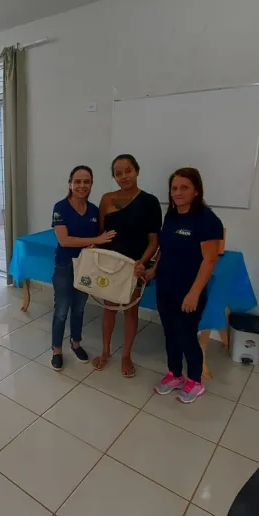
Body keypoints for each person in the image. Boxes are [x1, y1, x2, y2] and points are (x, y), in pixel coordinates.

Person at [148, 168, 223, 404]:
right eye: (174, 188)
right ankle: (175, 374)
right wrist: (153, 270)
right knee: (170, 333)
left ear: (196, 190)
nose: (178, 192)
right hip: (165, 287)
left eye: (184, 187)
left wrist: (194, 293)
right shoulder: (171, 217)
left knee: (186, 335)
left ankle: (195, 381)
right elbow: (164, 250)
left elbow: (210, 260)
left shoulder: (207, 220)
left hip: (189, 291)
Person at [93, 154, 162, 377]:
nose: (124, 176)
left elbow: (154, 241)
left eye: (128, 170)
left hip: (135, 266)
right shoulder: (106, 199)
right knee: (109, 309)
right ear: (114, 176)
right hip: (109, 265)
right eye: (118, 173)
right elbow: (100, 234)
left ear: (137, 171)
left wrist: (141, 264)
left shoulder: (150, 201)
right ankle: (105, 352)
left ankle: (126, 356)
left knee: (131, 311)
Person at [50, 166, 116, 371]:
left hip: (87, 267)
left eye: (86, 182)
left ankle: (76, 343)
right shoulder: (60, 207)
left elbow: (98, 241)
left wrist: (96, 243)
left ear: (91, 184)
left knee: (79, 308)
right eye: (77, 181)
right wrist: (95, 239)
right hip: (65, 265)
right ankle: (57, 350)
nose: (82, 186)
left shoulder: (95, 210)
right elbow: (64, 240)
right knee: (62, 309)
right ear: (70, 183)